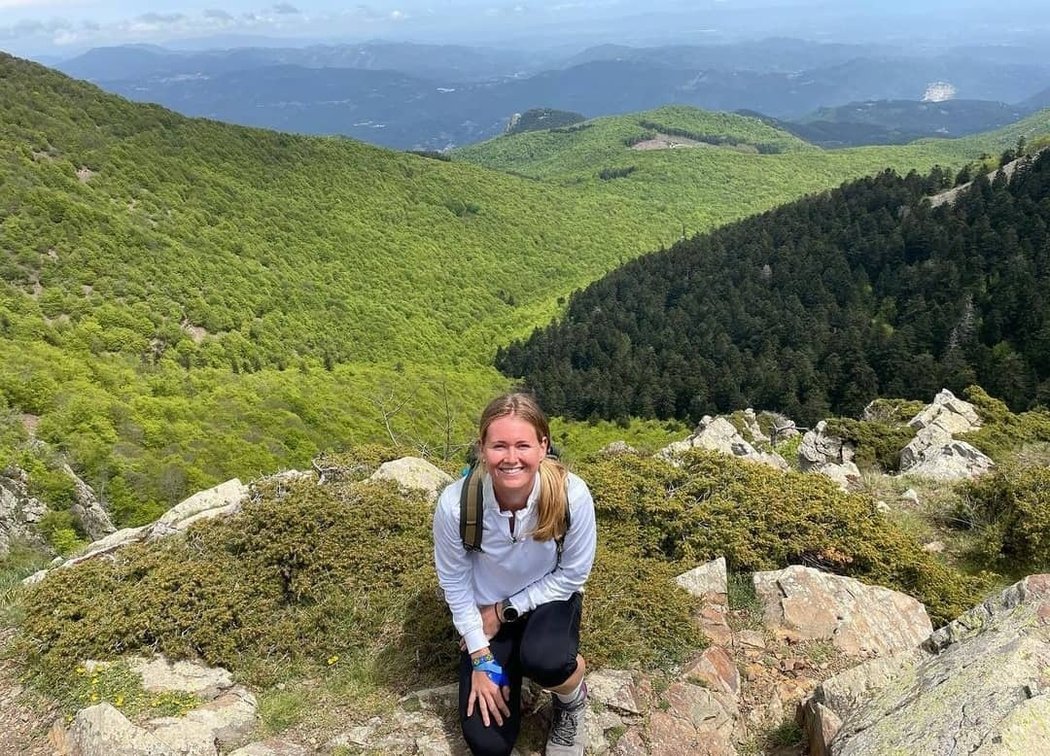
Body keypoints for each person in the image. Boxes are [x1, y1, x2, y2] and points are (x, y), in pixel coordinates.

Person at [433, 392, 598, 756]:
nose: (511, 458)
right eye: (499, 446)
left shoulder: (571, 495)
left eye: (523, 445)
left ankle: (572, 698)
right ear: (482, 448)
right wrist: (479, 656)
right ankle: (514, 666)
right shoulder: (456, 506)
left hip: (548, 600)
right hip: (486, 615)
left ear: (543, 446)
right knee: (487, 744)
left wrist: (505, 609)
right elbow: (455, 584)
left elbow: (572, 575)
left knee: (547, 661)